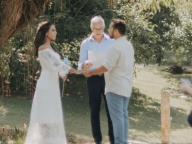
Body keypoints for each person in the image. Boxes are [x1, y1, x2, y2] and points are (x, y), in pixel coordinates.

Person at [25, 21, 80, 144]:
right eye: (53, 30)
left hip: (53, 85)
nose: (55, 32)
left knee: (52, 117)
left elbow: (57, 67)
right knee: (45, 118)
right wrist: (75, 71)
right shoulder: (43, 49)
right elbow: (56, 65)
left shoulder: (51, 48)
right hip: (46, 86)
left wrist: (62, 73)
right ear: (46, 33)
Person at [84, 19, 134, 144]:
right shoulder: (129, 46)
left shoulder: (114, 46)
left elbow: (106, 67)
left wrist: (90, 72)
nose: (108, 30)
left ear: (116, 31)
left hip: (115, 87)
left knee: (117, 118)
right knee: (123, 116)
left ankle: (119, 142)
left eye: (110, 28)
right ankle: (123, 141)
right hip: (126, 86)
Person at [79, 16, 114, 144]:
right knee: (94, 110)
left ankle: (113, 139)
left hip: (108, 78)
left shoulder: (111, 42)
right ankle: (97, 140)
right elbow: (80, 64)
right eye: (95, 29)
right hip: (93, 79)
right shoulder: (86, 43)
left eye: (100, 29)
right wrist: (85, 65)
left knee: (111, 110)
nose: (98, 31)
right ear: (91, 28)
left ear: (104, 28)